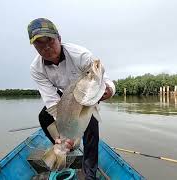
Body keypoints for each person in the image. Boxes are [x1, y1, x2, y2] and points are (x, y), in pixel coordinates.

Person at [27, 18, 115, 179]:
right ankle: (62, 146)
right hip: (64, 95)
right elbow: (51, 100)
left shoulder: (81, 55)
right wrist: (64, 131)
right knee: (44, 116)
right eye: (39, 43)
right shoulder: (36, 69)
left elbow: (104, 79)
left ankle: (89, 174)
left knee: (91, 128)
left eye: (50, 40)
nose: (46, 47)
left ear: (59, 39)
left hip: (84, 95)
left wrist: (110, 90)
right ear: (33, 46)